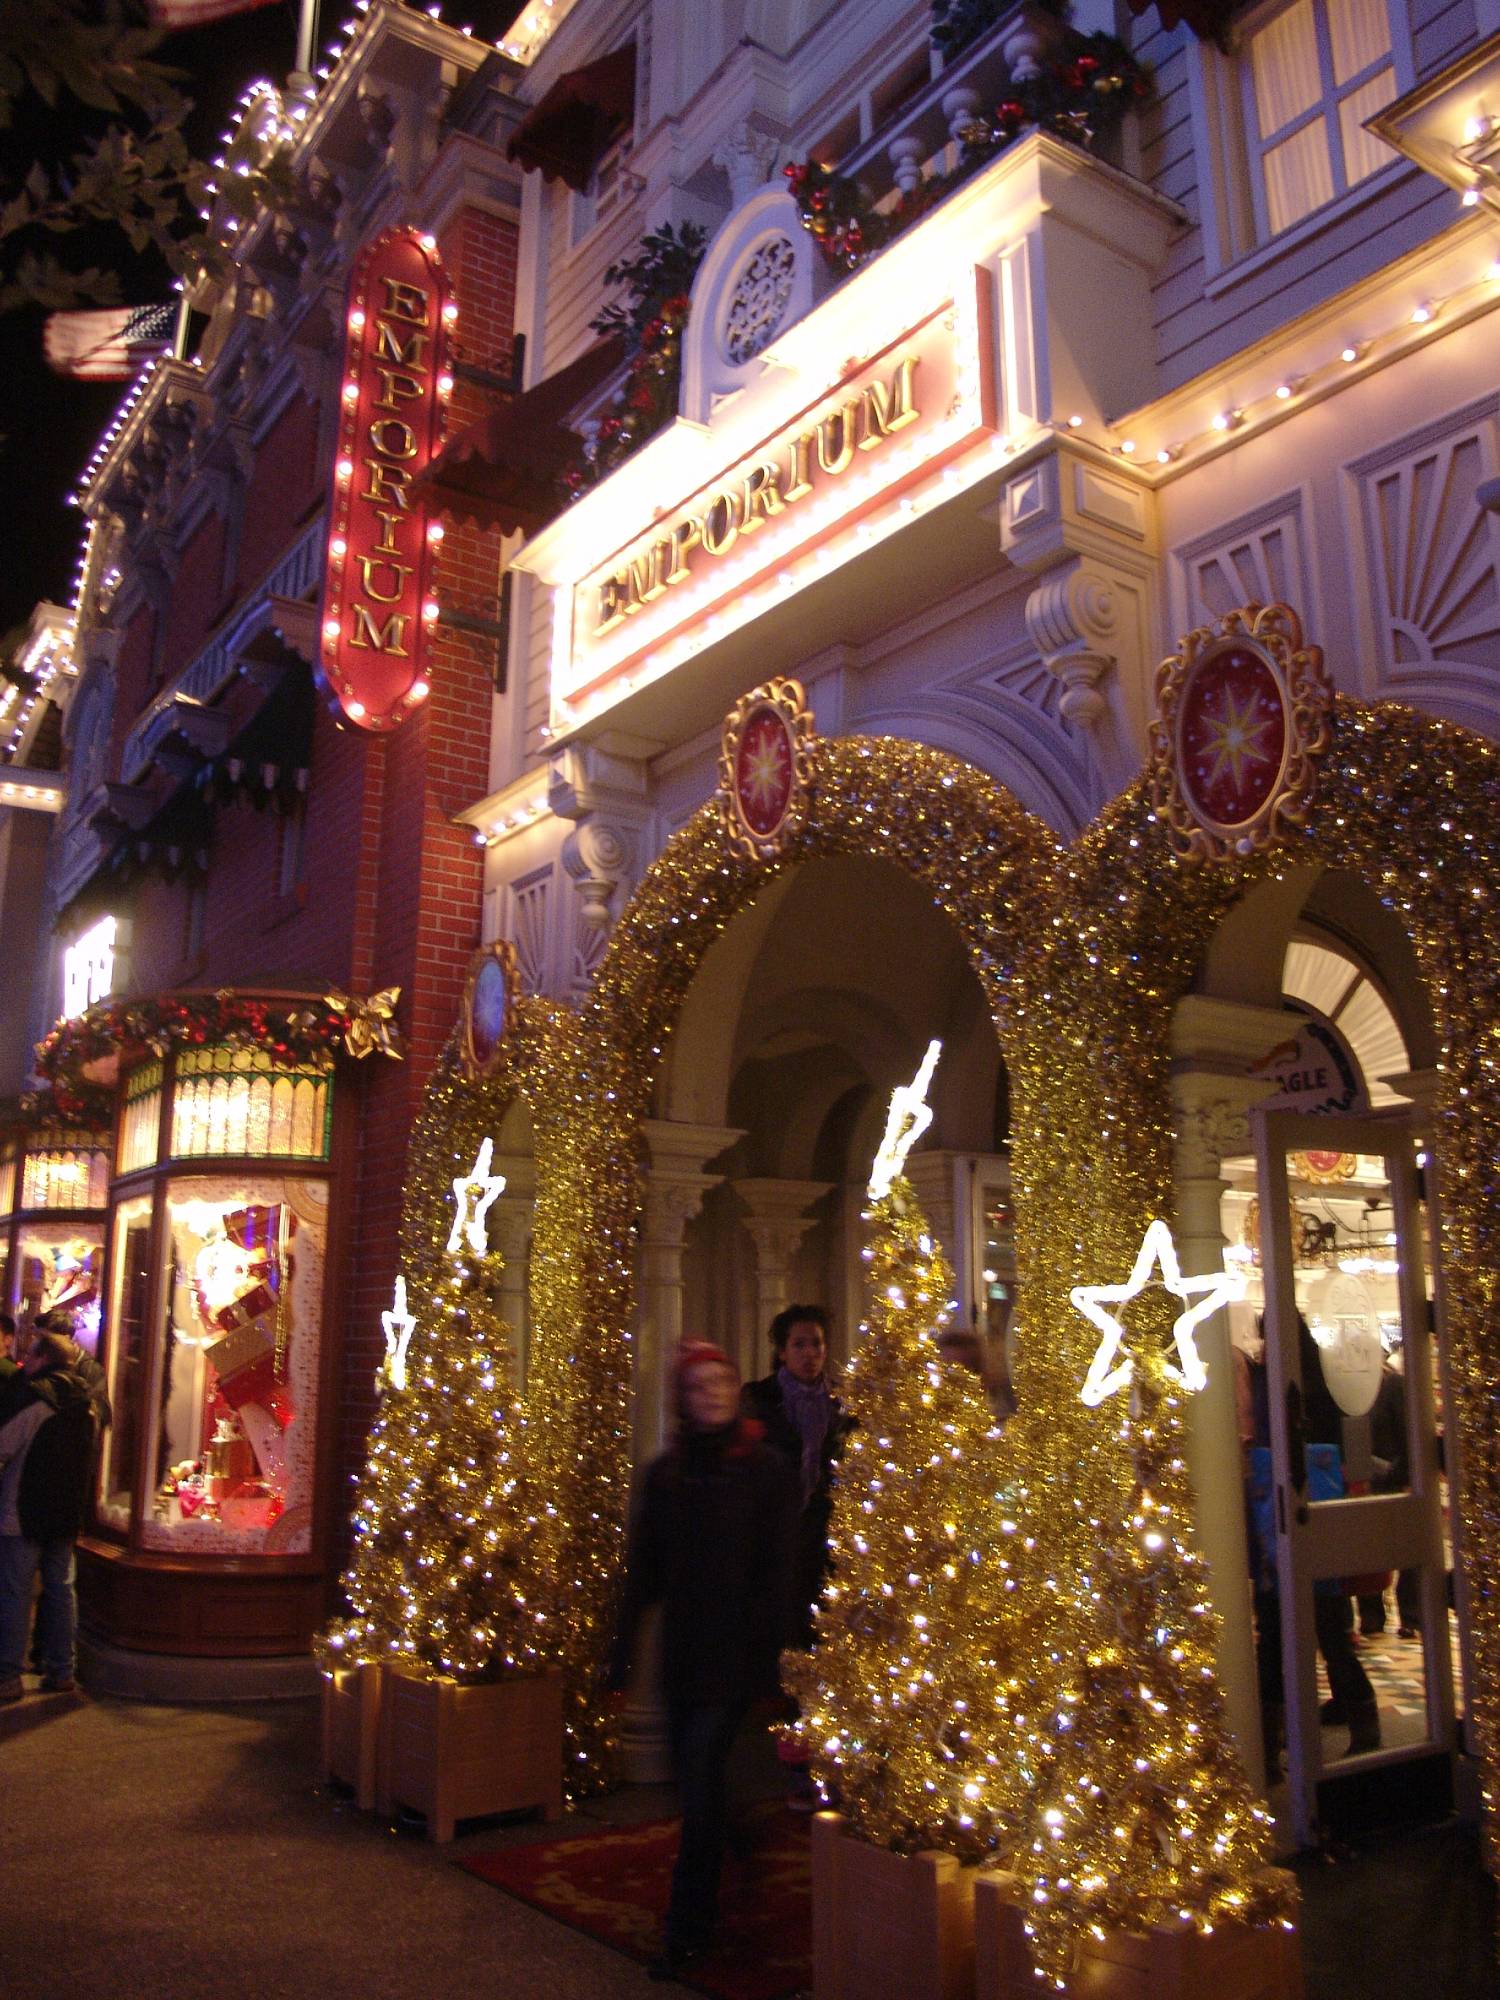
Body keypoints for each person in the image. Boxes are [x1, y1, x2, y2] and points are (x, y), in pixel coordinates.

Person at [607, 1341, 798, 1981]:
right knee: (702, 1780)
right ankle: (740, 1834)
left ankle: (686, 1930)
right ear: (684, 1399)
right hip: (686, 1654)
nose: (713, 1395)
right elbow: (646, 1574)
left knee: (696, 1781)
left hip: (737, 1656)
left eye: (723, 1384)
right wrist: (619, 1657)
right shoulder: (667, 1474)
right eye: (700, 1386)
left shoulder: (765, 1470)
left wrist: (775, 1654)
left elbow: (779, 1571)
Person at [0, 1330, 102, 1701]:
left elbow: (4, 1445)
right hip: (65, 1514)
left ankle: (8, 1676)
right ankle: (62, 1670)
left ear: (44, 1359)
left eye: (31, 1355)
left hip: (23, 1510)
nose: (25, 1361)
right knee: (61, 1590)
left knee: (15, 1593)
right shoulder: (87, 1404)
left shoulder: (36, 1398)